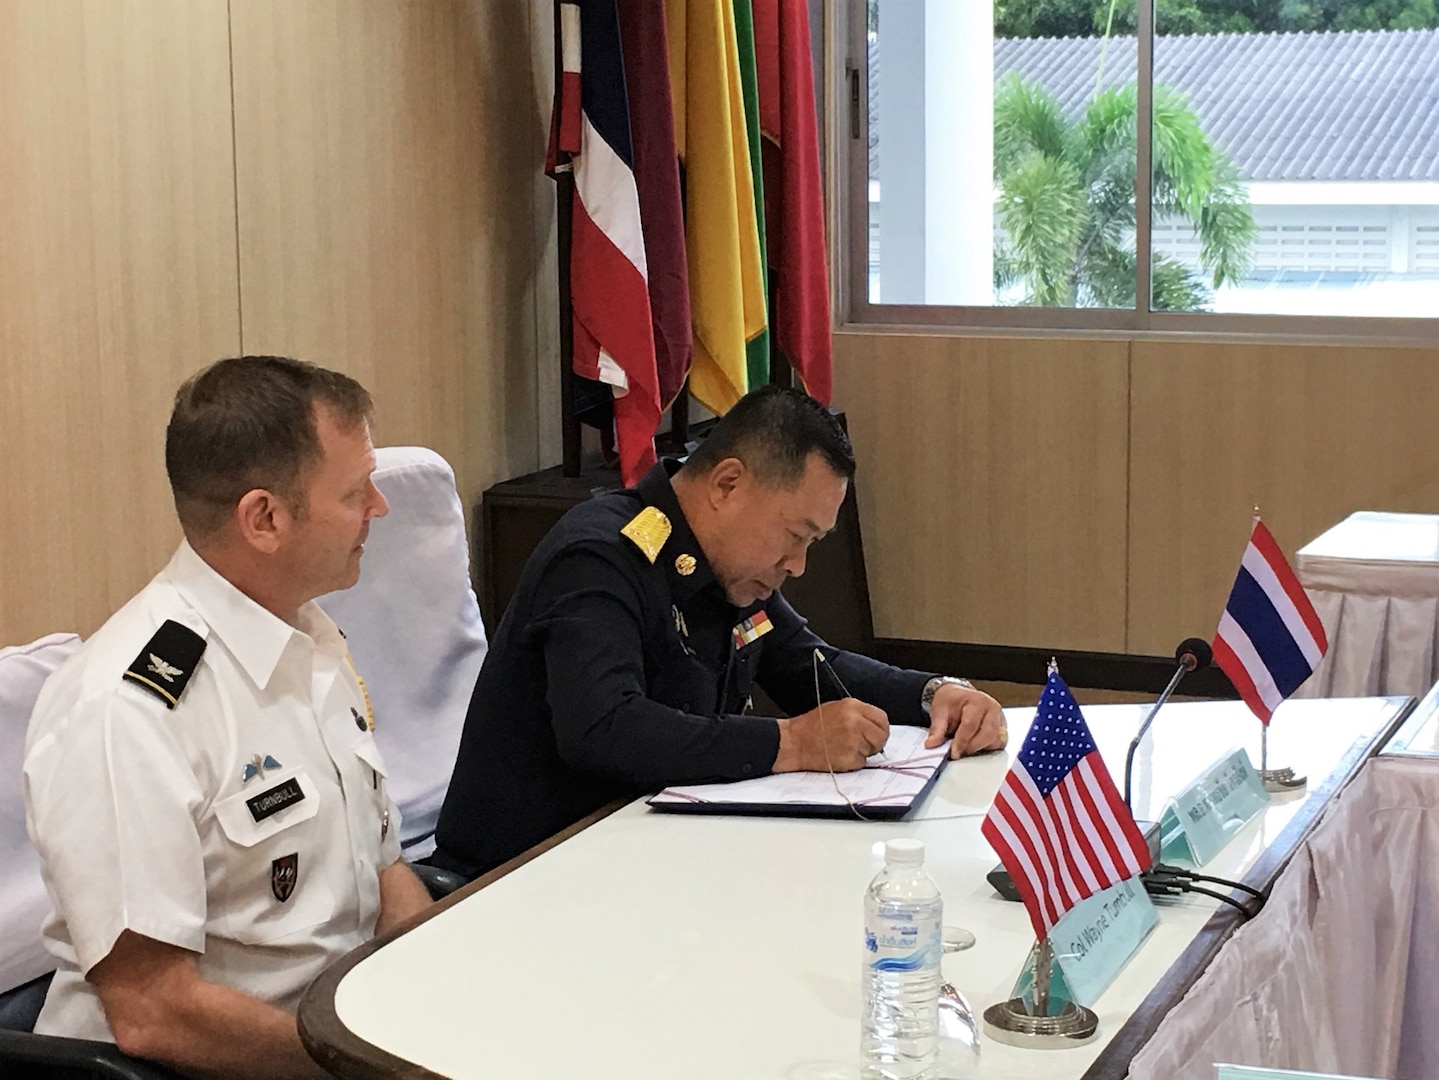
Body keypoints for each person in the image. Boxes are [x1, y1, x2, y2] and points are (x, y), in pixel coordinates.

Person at [23, 356, 433, 1078]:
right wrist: (377, 1070)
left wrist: (456, 1004)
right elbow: (156, 1012)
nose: (379, 507)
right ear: (264, 518)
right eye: (353, 491)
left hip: (344, 1039)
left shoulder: (309, 638)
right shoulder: (128, 709)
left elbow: (384, 872)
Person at [432, 386, 1006, 879]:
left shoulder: (727, 571)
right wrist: (790, 743)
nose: (799, 565)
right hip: (526, 877)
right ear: (728, 483)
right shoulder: (601, 555)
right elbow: (603, 728)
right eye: (795, 534)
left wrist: (937, 694)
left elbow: (809, 663)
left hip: (643, 861)